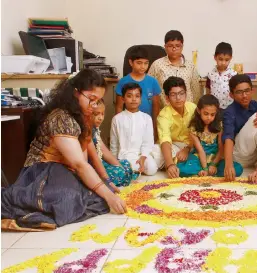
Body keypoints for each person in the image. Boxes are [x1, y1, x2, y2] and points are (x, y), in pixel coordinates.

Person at [1, 69, 126, 231]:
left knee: (99, 199)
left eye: (98, 101)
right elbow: (79, 164)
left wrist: (105, 185)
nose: (94, 106)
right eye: (92, 99)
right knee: (70, 200)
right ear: (75, 93)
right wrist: (108, 195)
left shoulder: (82, 116)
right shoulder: (60, 117)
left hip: (65, 170)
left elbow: (83, 160)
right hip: (43, 171)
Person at [178, 94, 243, 177]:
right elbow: (200, 150)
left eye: (212, 115)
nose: (209, 117)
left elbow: (221, 148)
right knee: (182, 169)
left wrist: (213, 164)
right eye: (206, 114)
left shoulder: (219, 126)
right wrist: (205, 168)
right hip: (198, 158)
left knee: (238, 168)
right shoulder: (193, 128)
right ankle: (203, 171)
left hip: (215, 159)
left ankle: (208, 171)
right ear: (198, 110)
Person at [152, 76, 196, 179]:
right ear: (167, 98)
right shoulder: (163, 115)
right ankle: (173, 163)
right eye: (173, 95)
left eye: (181, 93)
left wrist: (187, 149)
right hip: (173, 146)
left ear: (186, 94)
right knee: (155, 152)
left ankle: (178, 163)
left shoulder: (193, 108)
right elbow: (165, 140)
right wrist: (170, 165)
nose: (178, 98)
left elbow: (198, 134)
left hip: (192, 145)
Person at [111, 83, 158, 177]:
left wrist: (144, 156)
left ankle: (135, 169)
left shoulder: (146, 118)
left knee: (152, 169)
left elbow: (148, 142)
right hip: (124, 156)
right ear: (123, 99)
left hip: (141, 155)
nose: (133, 99)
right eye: (129, 96)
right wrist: (113, 161)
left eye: (137, 96)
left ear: (140, 99)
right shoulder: (117, 119)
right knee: (120, 170)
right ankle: (131, 169)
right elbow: (114, 144)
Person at [114, 47, 161, 140]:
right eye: (139, 63)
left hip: (147, 125)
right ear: (131, 63)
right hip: (128, 124)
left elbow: (156, 107)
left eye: (146, 63)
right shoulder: (123, 81)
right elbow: (119, 106)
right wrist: (119, 126)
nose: (143, 66)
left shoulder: (153, 82)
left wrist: (155, 129)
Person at [89, 100, 136, 187]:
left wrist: (119, 166)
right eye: (96, 114)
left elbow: (104, 151)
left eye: (102, 114)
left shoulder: (94, 129)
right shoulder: (86, 131)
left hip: (100, 162)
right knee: (119, 173)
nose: (100, 118)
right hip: (91, 167)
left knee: (125, 164)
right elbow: (94, 159)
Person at [148, 30, 201, 106]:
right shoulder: (157, 65)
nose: (174, 49)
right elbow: (149, 88)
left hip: (187, 112)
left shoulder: (190, 65)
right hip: (165, 112)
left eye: (177, 46)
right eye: (170, 46)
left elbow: (196, 92)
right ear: (165, 47)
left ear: (182, 47)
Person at [206, 42, 237, 109]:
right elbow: (208, 91)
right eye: (220, 59)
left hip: (230, 107)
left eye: (226, 60)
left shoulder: (233, 74)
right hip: (214, 108)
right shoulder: (210, 74)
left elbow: (236, 92)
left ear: (231, 58)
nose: (223, 63)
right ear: (215, 57)